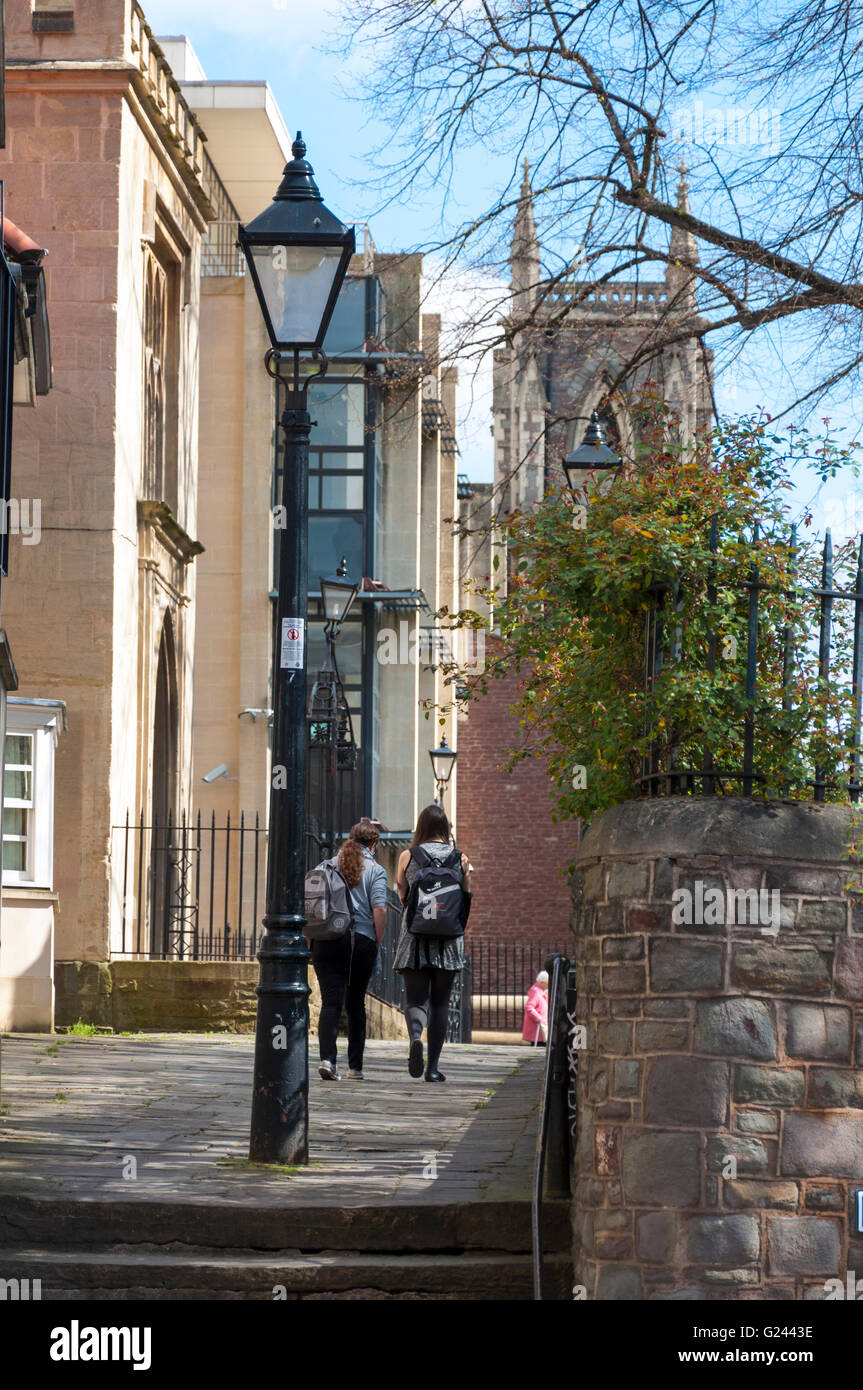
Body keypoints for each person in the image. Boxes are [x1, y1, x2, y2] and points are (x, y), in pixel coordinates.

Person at [394, 803, 471, 1083]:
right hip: (448, 942)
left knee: (416, 999)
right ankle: (434, 1068)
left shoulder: (407, 856)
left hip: (414, 938)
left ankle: (416, 1036)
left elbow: (401, 893)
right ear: (445, 828)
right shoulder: (460, 859)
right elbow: (466, 899)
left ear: (422, 826)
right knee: (440, 1004)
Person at [312, 817, 388, 1082]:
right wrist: (377, 941)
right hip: (359, 941)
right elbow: (379, 908)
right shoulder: (375, 870)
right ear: (374, 843)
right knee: (355, 1003)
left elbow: (313, 906)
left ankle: (327, 1060)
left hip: (326, 940)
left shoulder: (327, 865)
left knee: (330, 1003)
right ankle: (355, 1067)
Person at [523, 970, 549, 1046]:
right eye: (547, 983)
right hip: (537, 1026)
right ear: (542, 982)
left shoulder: (541, 991)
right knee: (539, 1046)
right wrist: (539, 1019)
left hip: (541, 1026)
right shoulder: (536, 991)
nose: (548, 985)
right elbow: (529, 1008)